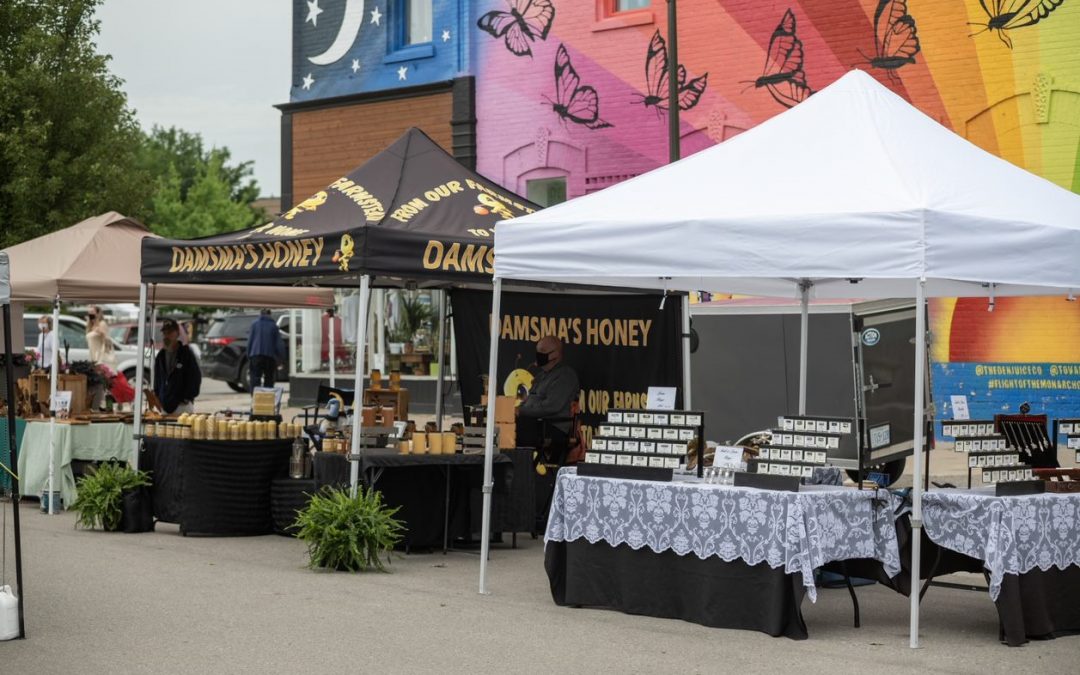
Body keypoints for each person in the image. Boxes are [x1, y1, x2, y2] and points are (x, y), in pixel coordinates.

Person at [516, 335, 580, 461]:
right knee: (504, 425)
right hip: (535, 425)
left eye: (543, 352)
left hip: (552, 428)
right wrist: (517, 410)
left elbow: (552, 406)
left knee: (509, 432)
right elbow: (529, 401)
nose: (539, 355)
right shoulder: (540, 376)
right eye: (538, 352)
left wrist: (521, 411)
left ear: (555, 354)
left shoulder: (566, 375)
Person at [154, 318, 201, 414]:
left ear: (177, 333)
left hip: (182, 406)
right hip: (164, 406)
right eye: (165, 333)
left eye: (170, 332)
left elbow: (195, 377)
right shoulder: (160, 356)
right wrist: (157, 397)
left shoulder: (186, 354)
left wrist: (186, 398)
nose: (167, 336)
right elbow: (157, 379)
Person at [247, 309, 285, 389]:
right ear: (270, 314)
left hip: (255, 355)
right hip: (269, 356)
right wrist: (281, 359)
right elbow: (279, 344)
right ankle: (266, 397)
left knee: (255, 377)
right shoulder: (273, 326)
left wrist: (249, 355)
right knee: (269, 378)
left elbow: (250, 341)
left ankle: (255, 396)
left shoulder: (254, 324)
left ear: (260, 314)